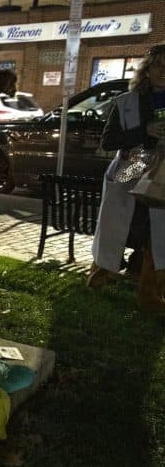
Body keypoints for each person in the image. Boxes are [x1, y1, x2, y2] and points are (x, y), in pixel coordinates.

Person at [88, 44, 165, 312]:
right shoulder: (126, 102)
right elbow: (108, 141)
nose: (162, 72)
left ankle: (149, 289)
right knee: (116, 221)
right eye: (157, 65)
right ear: (147, 69)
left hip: (162, 170)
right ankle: (102, 271)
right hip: (132, 165)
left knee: (159, 231)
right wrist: (145, 132)